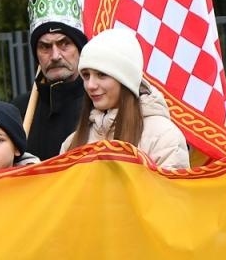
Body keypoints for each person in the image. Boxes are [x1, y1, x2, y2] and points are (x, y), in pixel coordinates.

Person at [60, 28, 190, 169]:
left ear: (126, 80)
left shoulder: (164, 137)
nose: (90, 85)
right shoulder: (71, 143)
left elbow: (169, 191)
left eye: (102, 74)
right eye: (86, 75)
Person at [16, 0, 89, 161]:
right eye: (45, 46)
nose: (55, 55)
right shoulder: (20, 112)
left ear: (80, 49)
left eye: (64, 44)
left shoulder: (99, 103)